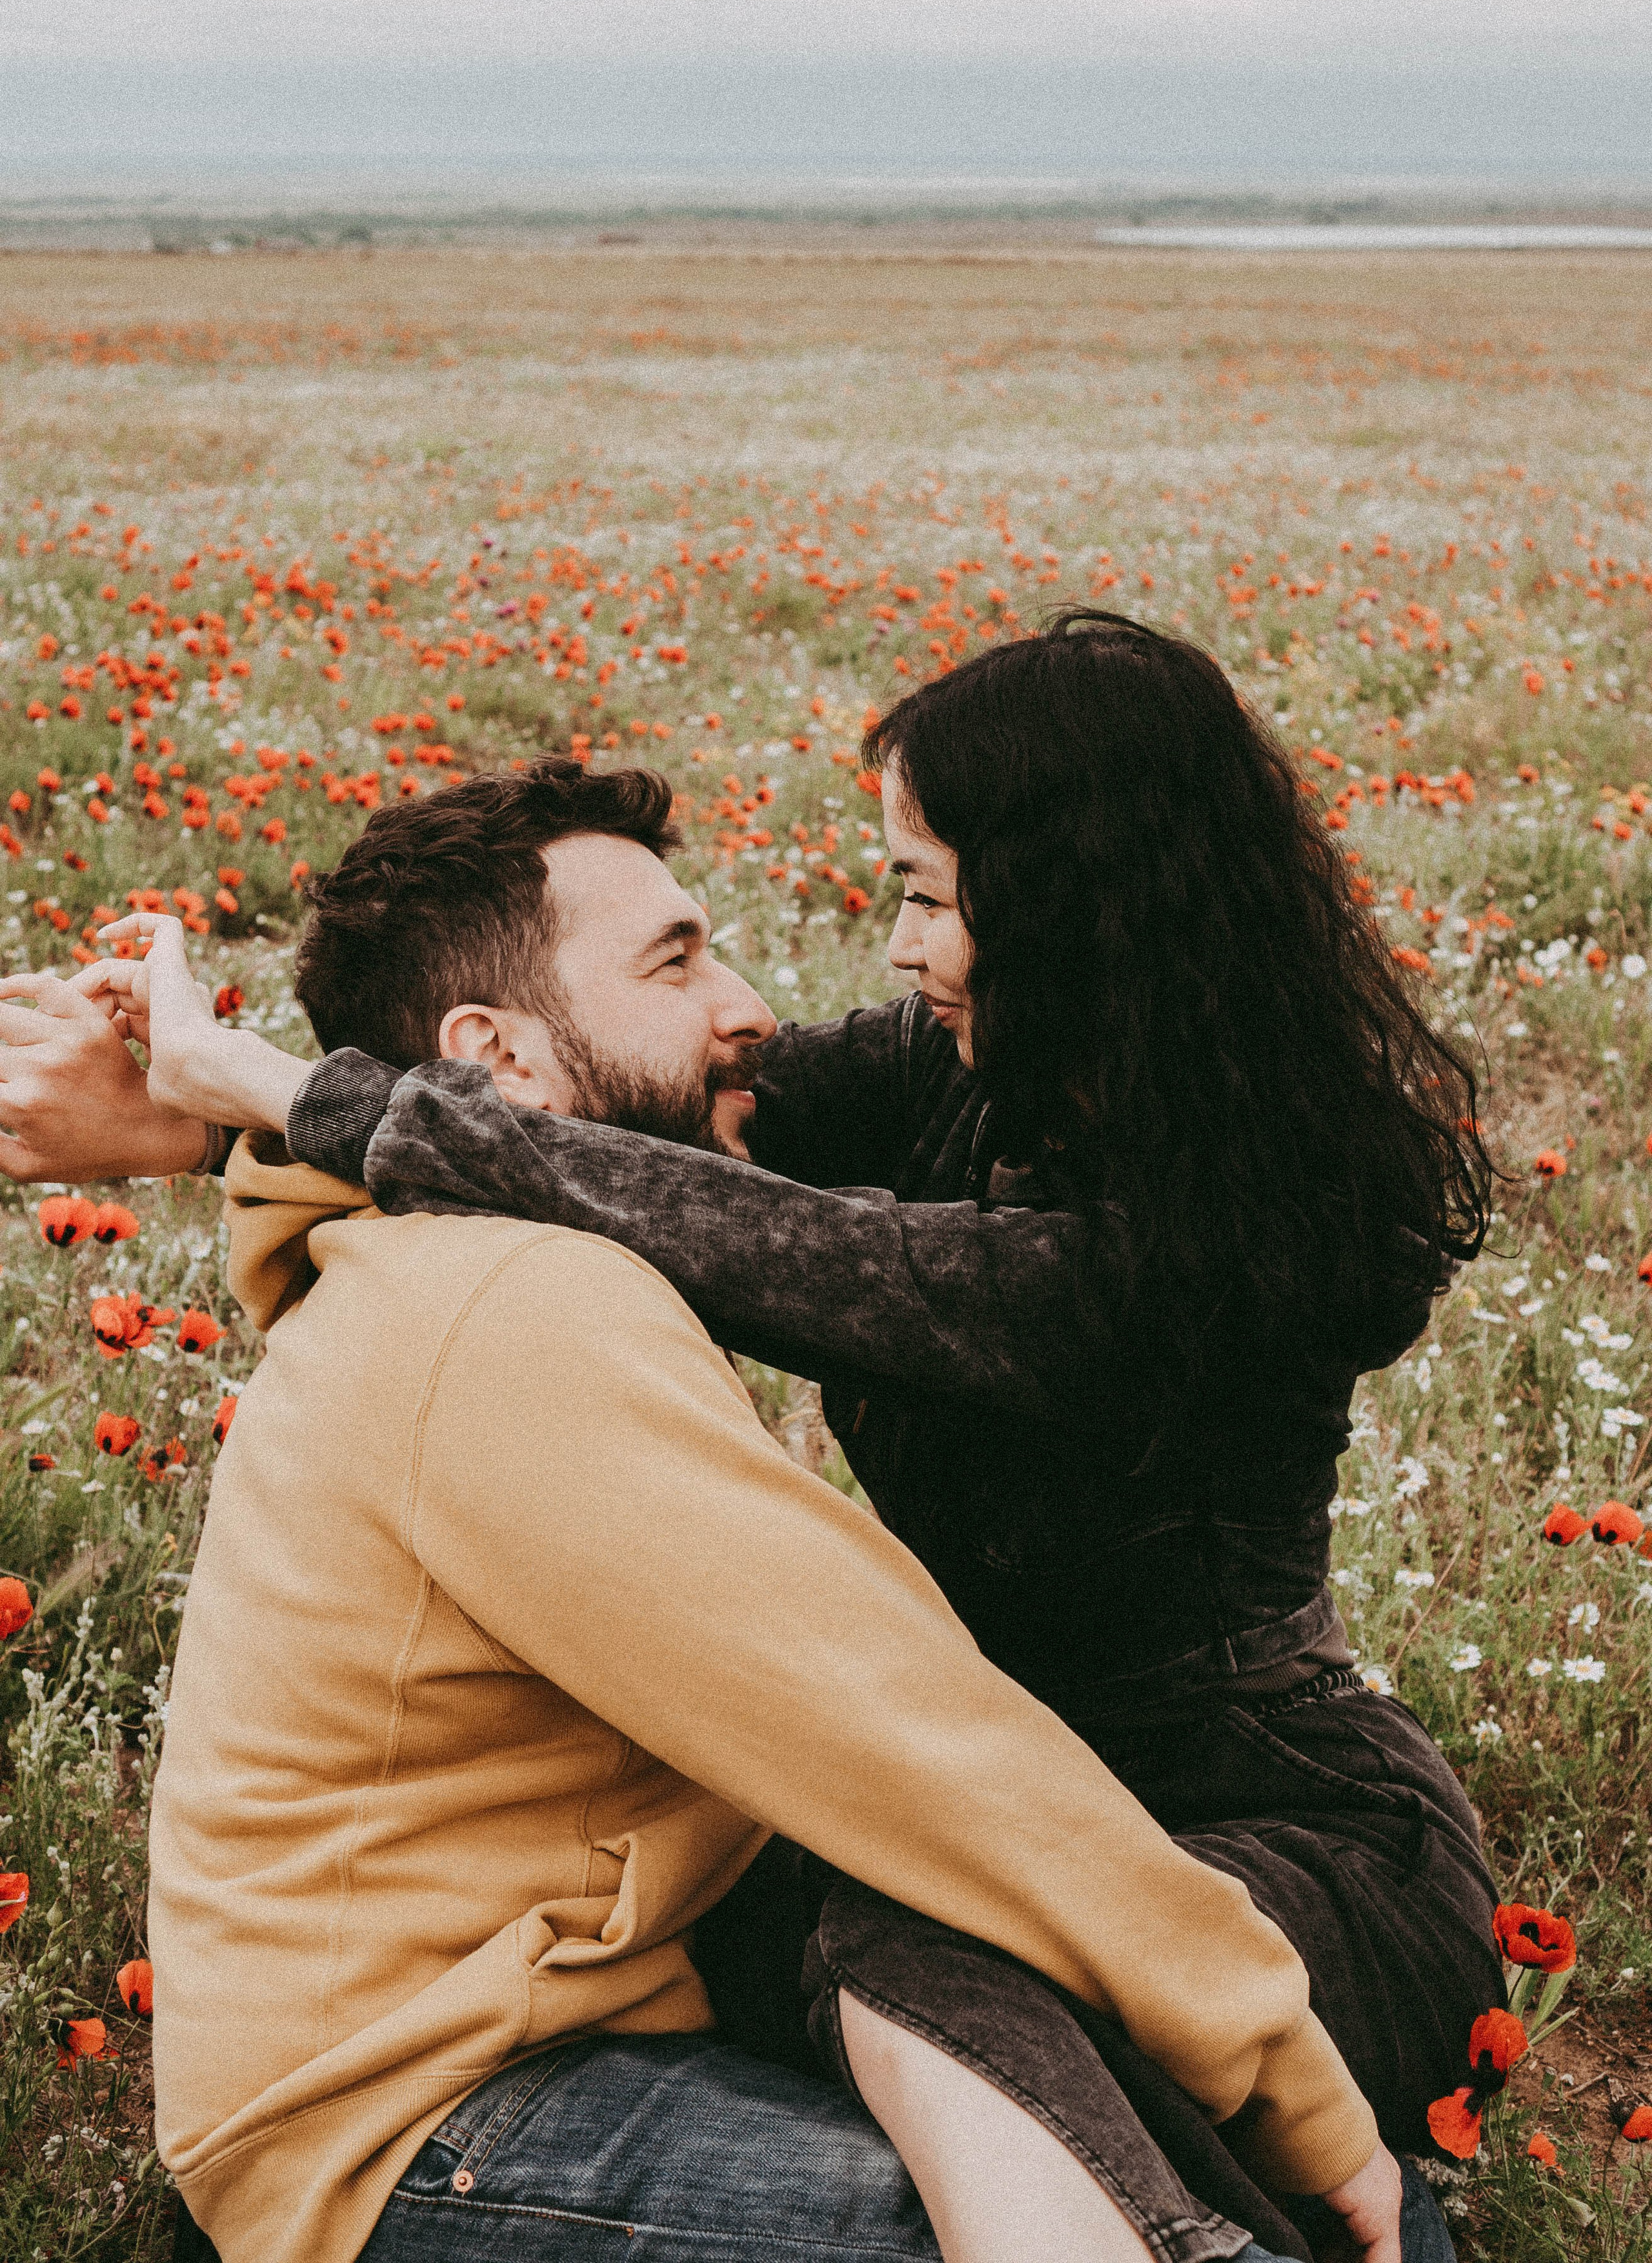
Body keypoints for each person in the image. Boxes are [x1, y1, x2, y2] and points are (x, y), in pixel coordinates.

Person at [0, 616, 1493, 2254]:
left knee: (938, 1962)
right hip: (971, 1852)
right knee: (940, 1971)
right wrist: (223, 1111)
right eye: (679, 958)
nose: (769, 1003)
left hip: (1252, 1830)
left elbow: (733, 1229)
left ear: (1059, 911)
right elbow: (609, 1149)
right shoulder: (878, 1109)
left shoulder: (1191, 1249)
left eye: (925, 892)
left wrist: (263, 1089)